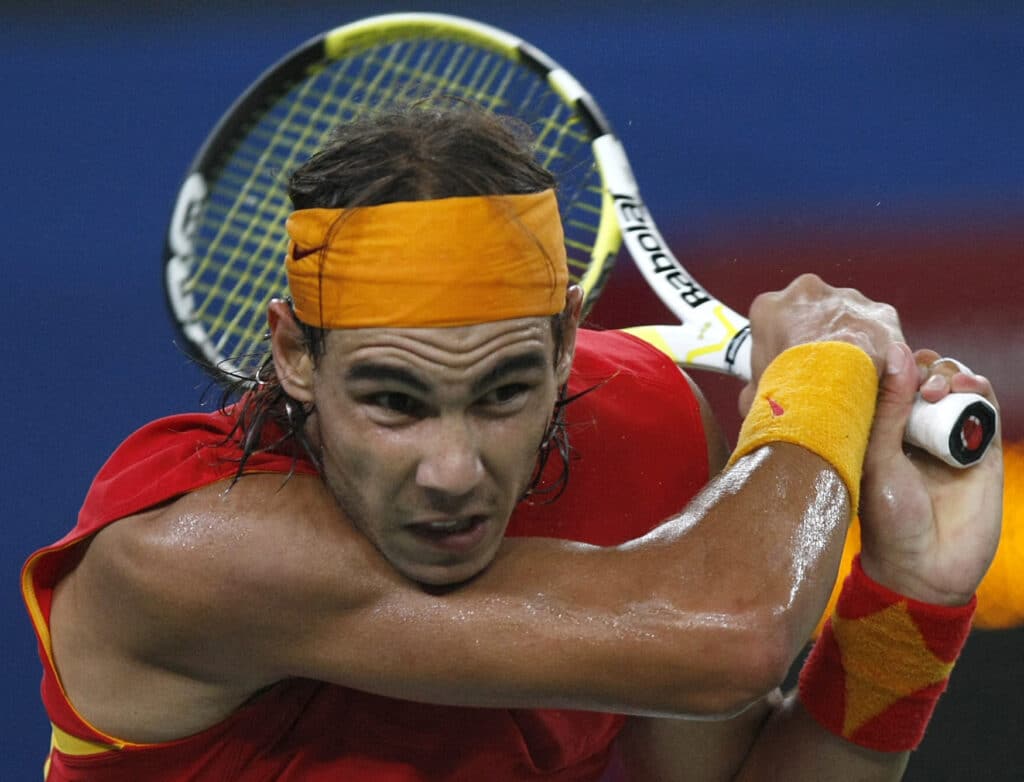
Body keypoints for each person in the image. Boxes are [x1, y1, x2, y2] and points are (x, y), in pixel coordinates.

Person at [23, 104, 1002, 781]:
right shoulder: (190, 556)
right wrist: (818, 377)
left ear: (568, 340)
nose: (452, 470)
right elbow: (736, 632)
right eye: (394, 400)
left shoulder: (644, 425)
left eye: (503, 390)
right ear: (290, 353)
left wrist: (913, 596)